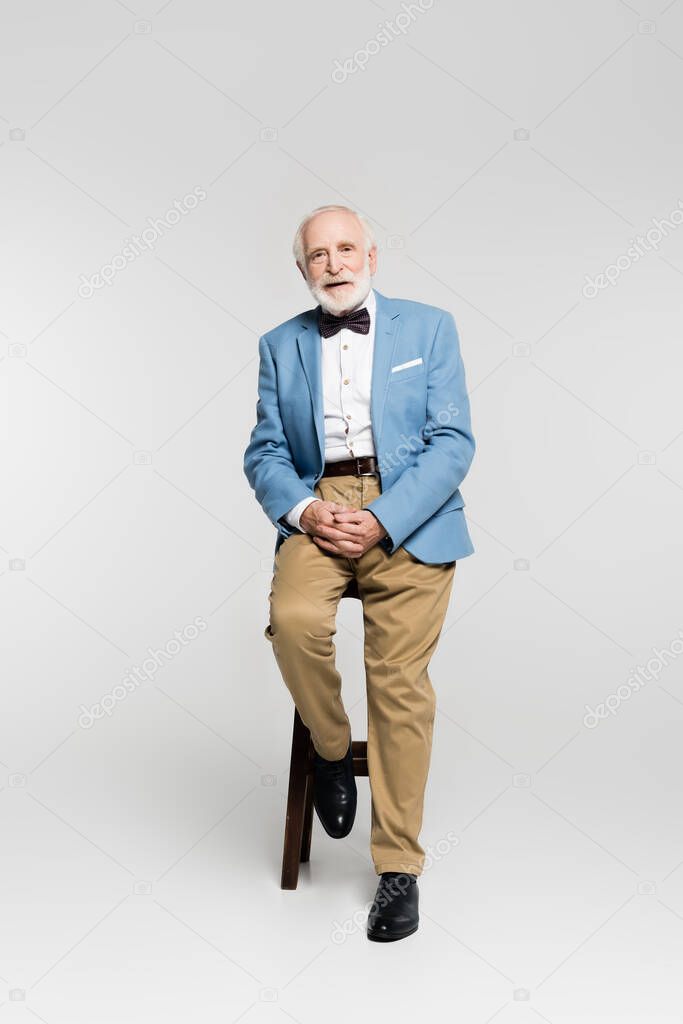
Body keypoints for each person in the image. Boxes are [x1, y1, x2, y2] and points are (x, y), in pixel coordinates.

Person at [243, 203, 475, 941]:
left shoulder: (428, 327)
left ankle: (398, 868)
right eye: (318, 255)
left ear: (371, 256)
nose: (334, 263)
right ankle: (333, 751)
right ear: (303, 269)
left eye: (346, 249)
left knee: (398, 684)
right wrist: (307, 512)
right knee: (296, 622)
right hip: (322, 504)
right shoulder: (279, 345)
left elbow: (452, 442)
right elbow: (265, 452)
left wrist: (384, 518)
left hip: (411, 509)